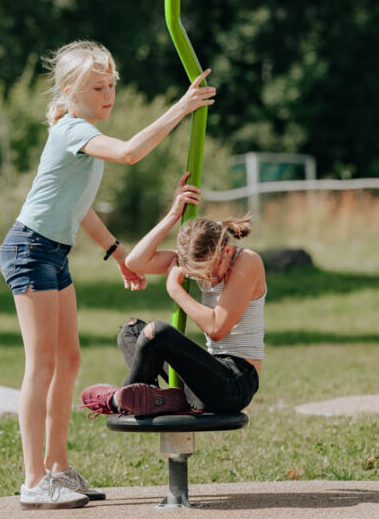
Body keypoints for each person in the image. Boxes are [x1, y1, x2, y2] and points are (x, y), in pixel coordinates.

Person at [0, 40, 215, 510]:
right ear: (70, 92)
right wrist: (181, 107)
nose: (108, 95)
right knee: (41, 366)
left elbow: (80, 209)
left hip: (53, 254)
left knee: (68, 360)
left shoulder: (84, 136)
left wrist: (118, 253)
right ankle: (34, 481)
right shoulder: (72, 130)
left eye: (111, 86)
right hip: (30, 250)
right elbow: (131, 153)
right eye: (98, 87)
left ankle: (58, 468)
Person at [81, 172, 265, 418]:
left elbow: (217, 327)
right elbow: (135, 262)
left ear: (228, 251)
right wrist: (173, 214)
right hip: (204, 381)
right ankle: (152, 397)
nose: (209, 279)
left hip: (234, 383)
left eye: (212, 271)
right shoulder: (199, 260)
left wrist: (175, 290)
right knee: (132, 331)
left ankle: (118, 400)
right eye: (199, 275)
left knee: (158, 333)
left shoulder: (247, 262)